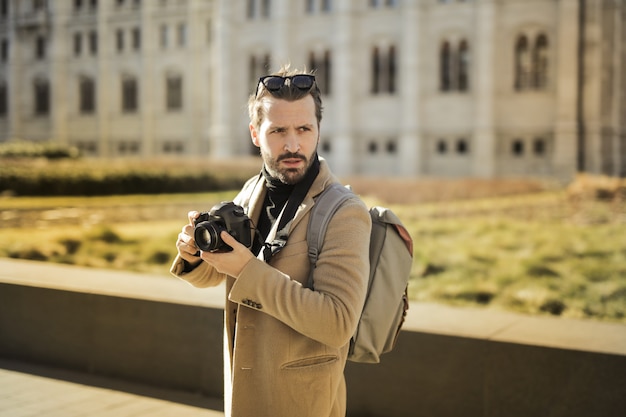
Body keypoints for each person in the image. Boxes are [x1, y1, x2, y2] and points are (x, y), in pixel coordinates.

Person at [170, 66, 371, 417]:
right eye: (278, 130)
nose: (293, 144)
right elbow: (219, 275)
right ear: (255, 133)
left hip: (302, 403)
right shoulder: (251, 192)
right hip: (243, 395)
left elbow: (338, 323)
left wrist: (248, 269)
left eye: (304, 129)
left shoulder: (344, 211)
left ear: (318, 131)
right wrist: (194, 254)